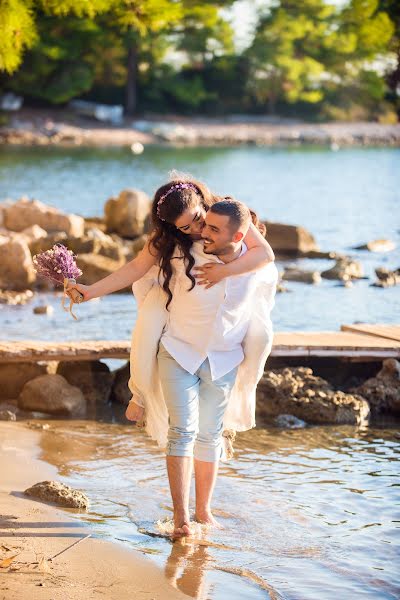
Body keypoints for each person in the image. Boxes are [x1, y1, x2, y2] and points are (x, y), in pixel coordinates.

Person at [67, 176, 276, 538]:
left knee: (210, 436)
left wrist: (225, 269)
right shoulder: (174, 248)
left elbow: (265, 255)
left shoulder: (231, 223)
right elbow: (133, 269)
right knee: (182, 432)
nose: (197, 230)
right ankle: (181, 520)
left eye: (200, 220)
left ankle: (204, 512)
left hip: (224, 357)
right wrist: (91, 291)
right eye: (187, 227)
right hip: (179, 351)